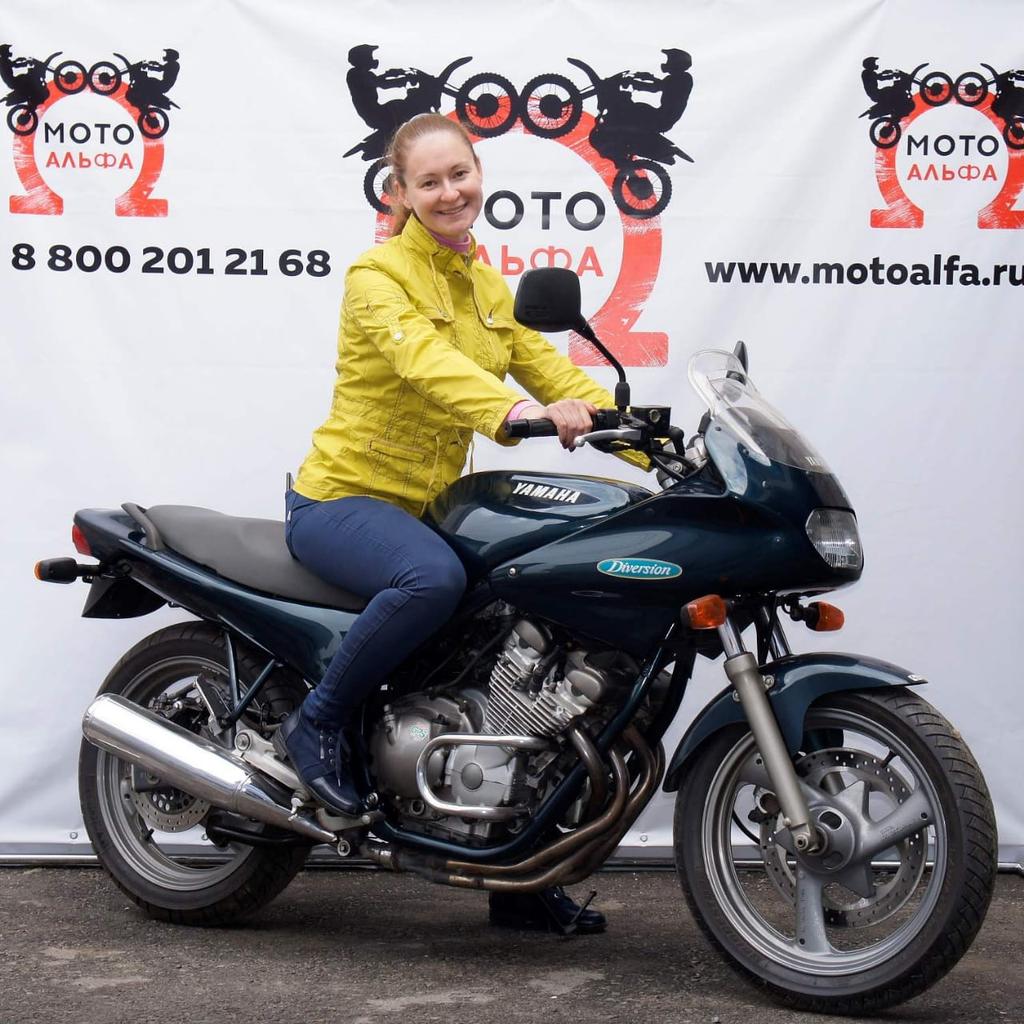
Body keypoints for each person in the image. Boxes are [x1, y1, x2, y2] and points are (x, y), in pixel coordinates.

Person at [278, 112, 638, 932]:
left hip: (428, 509)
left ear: (480, 176)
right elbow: (426, 364)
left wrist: (648, 437)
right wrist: (515, 414)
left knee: (529, 633)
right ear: (400, 192)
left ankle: (516, 873)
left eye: (459, 174)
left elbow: (550, 370)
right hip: (344, 501)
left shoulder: (486, 287)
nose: (449, 192)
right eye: (429, 181)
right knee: (432, 578)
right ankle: (316, 721)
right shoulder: (376, 276)